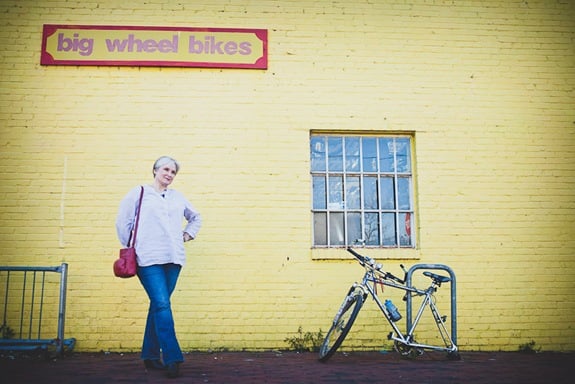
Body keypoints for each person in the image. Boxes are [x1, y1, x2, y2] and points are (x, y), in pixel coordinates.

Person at [116, 156, 201, 379]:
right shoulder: (139, 192)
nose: (169, 174)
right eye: (166, 169)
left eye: (173, 172)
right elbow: (122, 222)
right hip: (148, 258)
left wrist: (187, 234)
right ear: (155, 170)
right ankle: (172, 358)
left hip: (173, 258)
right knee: (163, 304)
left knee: (158, 305)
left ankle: (150, 356)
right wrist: (132, 246)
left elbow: (196, 217)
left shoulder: (177, 197)